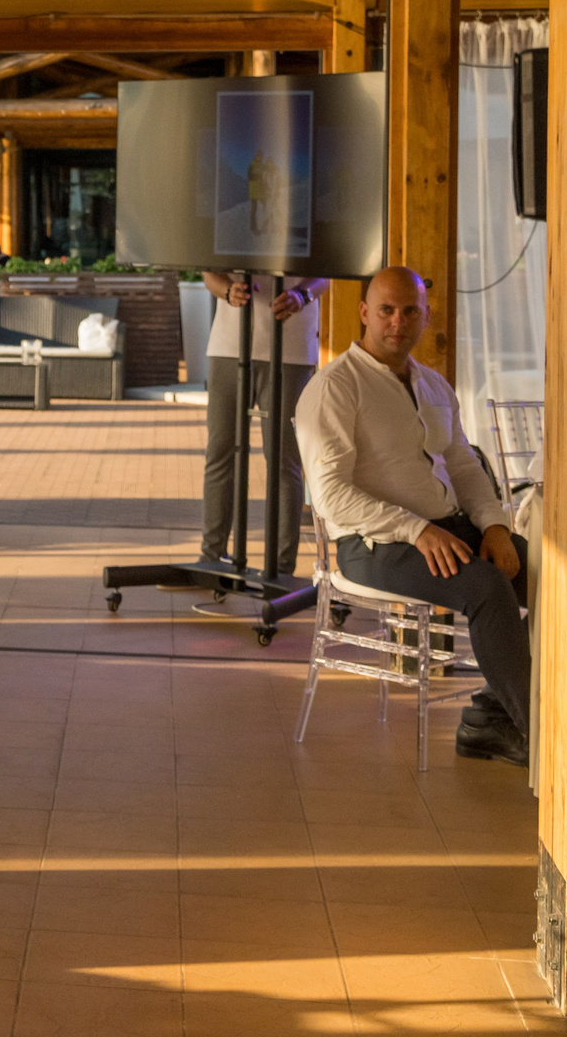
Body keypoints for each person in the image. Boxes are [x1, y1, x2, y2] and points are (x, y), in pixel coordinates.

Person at [297, 267, 528, 764]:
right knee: (486, 588)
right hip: (373, 545)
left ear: (426, 315)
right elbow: (330, 494)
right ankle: (545, 738)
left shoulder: (434, 385)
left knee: (552, 573)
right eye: (385, 310)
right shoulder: (335, 387)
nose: (397, 321)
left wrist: (495, 525)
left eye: (409, 311)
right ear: (364, 313)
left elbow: (464, 467)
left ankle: (495, 714)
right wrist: (414, 529)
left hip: (448, 528)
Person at [199, 272, 327, 579]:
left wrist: (302, 295)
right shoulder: (230, 221)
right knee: (220, 452)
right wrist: (227, 290)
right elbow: (208, 272)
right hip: (228, 345)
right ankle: (211, 556)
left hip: (292, 348)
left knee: (284, 460)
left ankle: (281, 568)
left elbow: (324, 274)